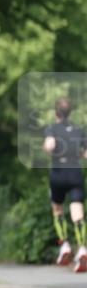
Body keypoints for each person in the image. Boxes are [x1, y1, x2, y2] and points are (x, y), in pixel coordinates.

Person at [43, 98, 87, 272]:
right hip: (75, 173)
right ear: (70, 113)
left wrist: (48, 149)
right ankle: (83, 248)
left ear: (56, 113)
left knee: (57, 209)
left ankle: (65, 245)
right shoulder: (79, 130)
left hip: (59, 174)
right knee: (78, 213)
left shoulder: (52, 128)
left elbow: (50, 145)